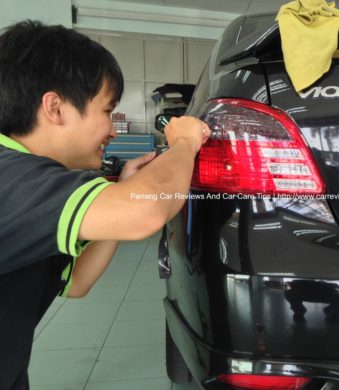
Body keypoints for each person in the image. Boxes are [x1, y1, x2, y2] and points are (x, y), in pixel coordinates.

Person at [0, 20, 211, 390]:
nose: (113, 130)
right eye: (107, 111)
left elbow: (77, 282)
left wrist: (125, 189)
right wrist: (184, 144)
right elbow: (146, 210)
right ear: (55, 108)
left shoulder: (29, 182)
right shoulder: (11, 177)